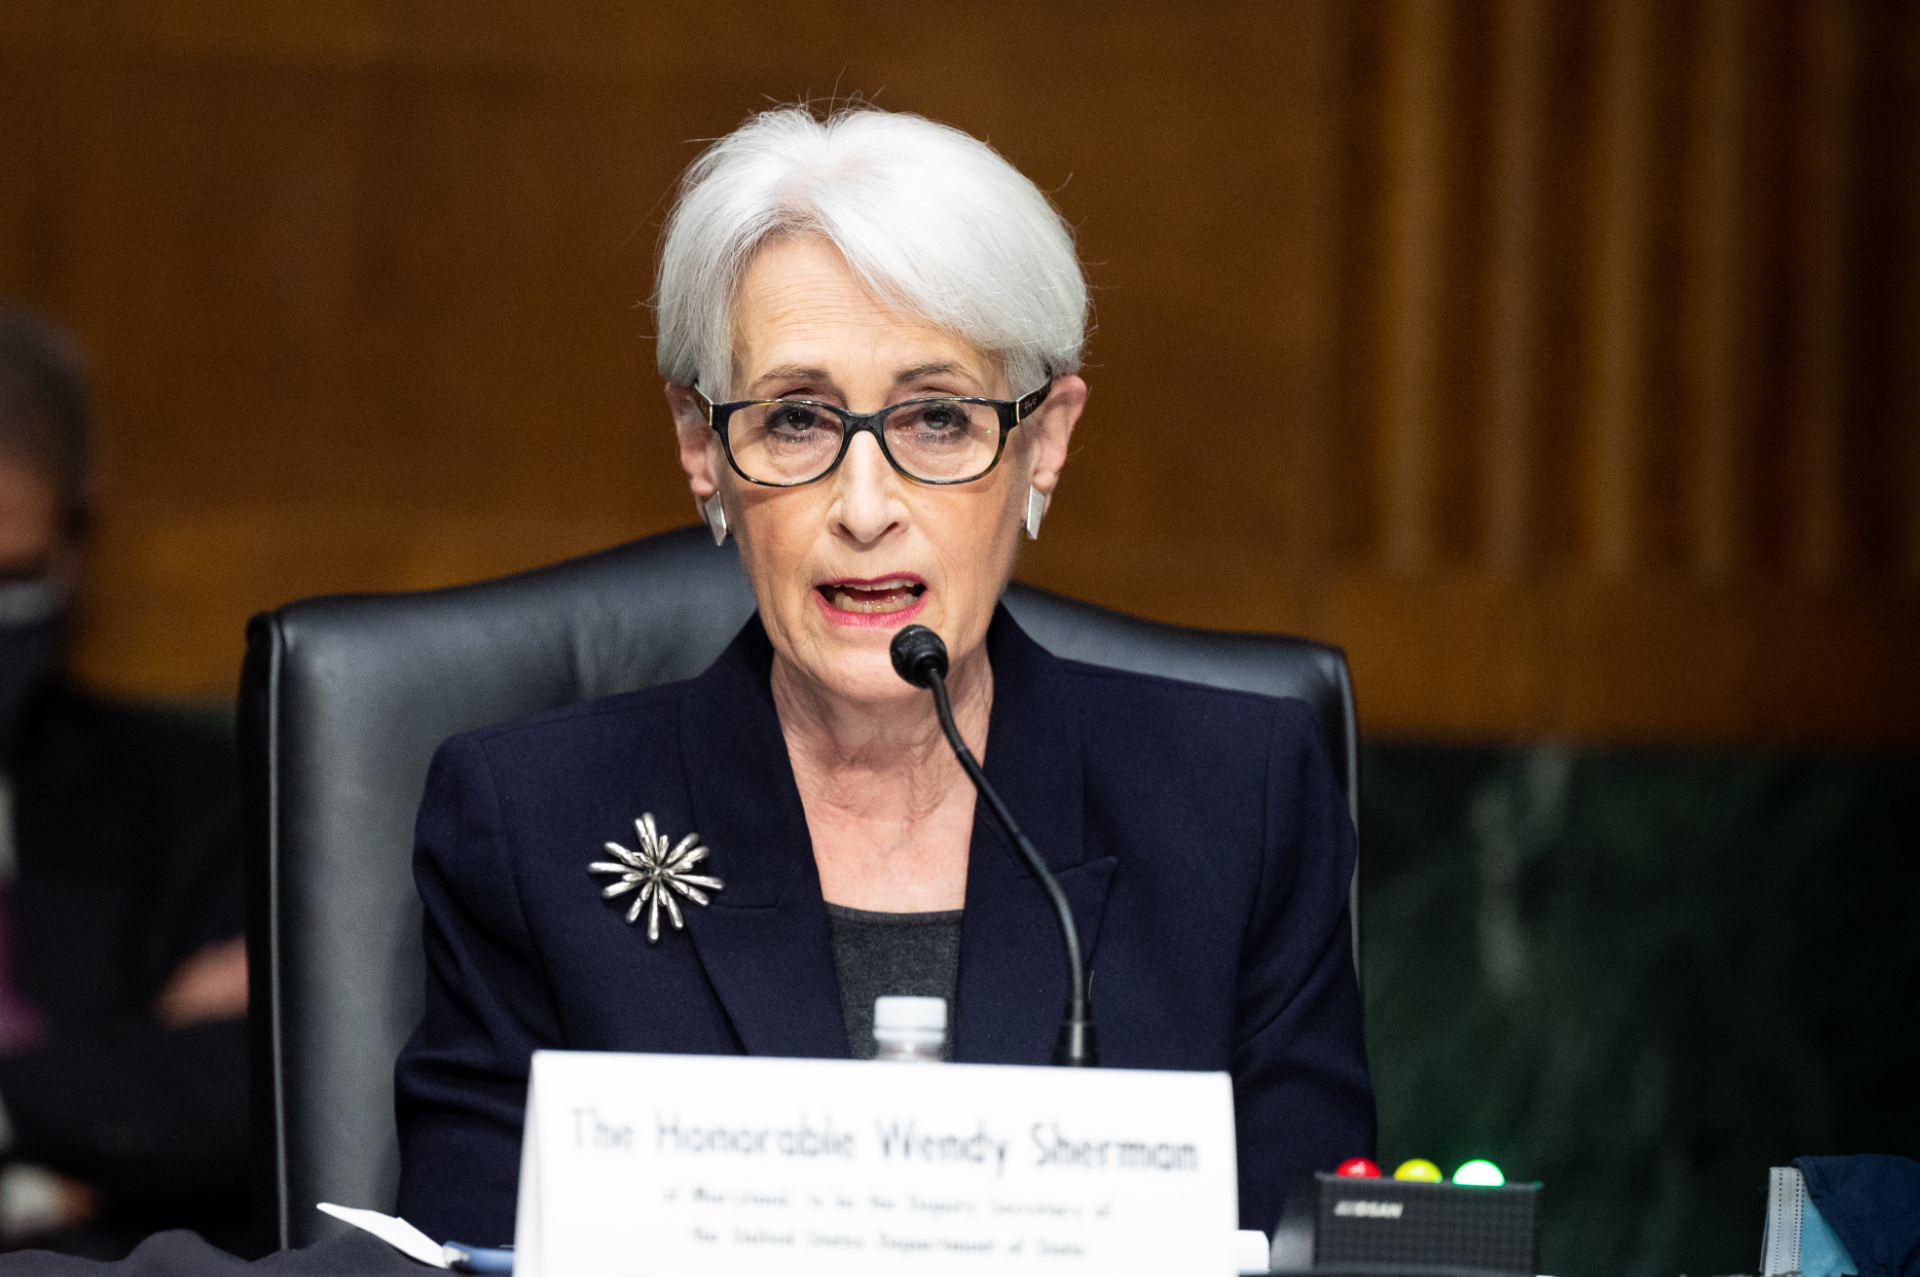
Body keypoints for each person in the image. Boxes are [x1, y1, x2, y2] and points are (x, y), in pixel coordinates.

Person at [395, 105, 1374, 1245]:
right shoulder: (529, 827)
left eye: (940, 418)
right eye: (798, 418)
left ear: (1045, 440)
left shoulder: (1237, 807)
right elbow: (463, 1258)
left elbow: (1318, 1249)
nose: (865, 508)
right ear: (701, 445)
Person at [0, 307, 251, 1258]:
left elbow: (244, 1089)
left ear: (79, 534)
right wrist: (109, 1069)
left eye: (12, 578)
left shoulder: (188, 793)